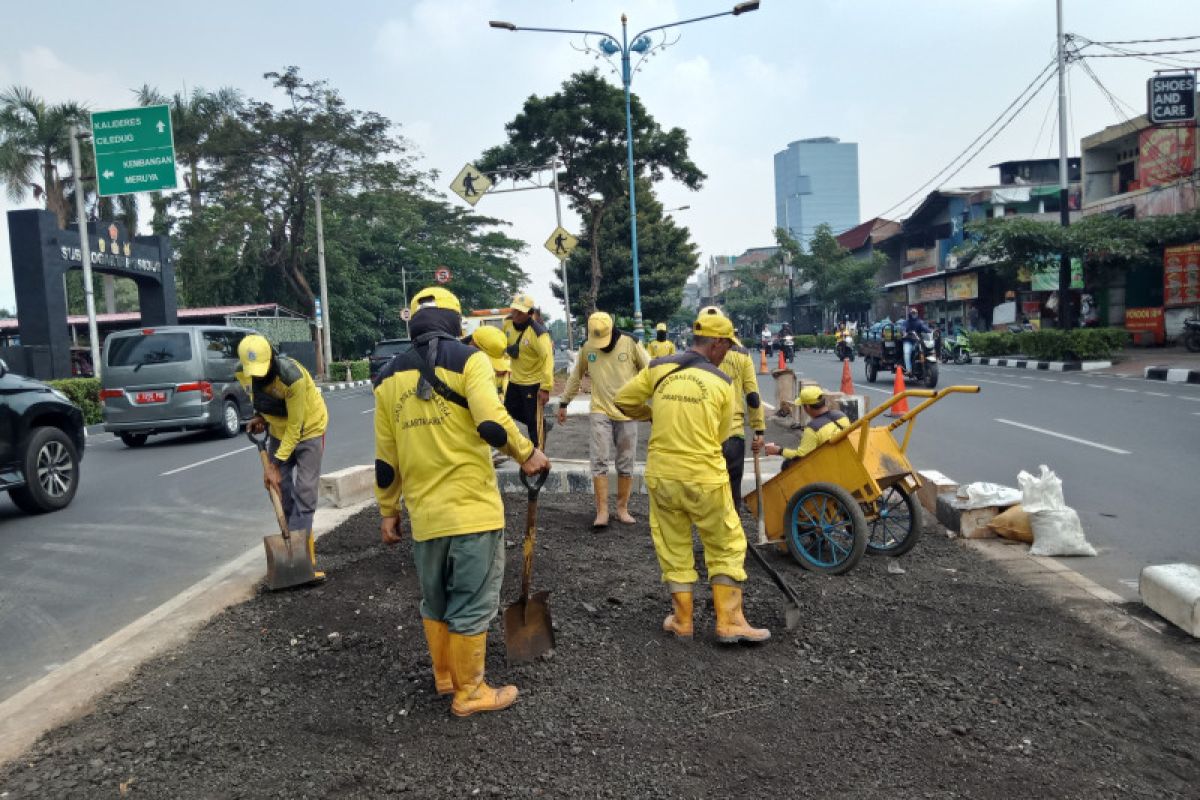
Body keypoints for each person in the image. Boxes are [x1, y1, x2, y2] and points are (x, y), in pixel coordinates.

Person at [375, 287, 550, 718]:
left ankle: (445, 677)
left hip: (426, 518)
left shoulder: (388, 377)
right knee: (471, 603)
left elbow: (385, 458)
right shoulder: (470, 360)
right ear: (456, 324)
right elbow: (491, 420)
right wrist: (528, 453)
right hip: (471, 511)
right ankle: (469, 691)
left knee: (434, 601)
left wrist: (388, 510)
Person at [614, 311, 770, 645]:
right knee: (726, 543)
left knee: (673, 544)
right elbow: (722, 433)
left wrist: (654, 413)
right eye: (727, 345)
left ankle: (682, 620)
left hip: (662, 475)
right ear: (716, 343)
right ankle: (729, 622)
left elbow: (623, 400)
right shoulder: (723, 383)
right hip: (704, 477)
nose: (728, 352)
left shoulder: (658, 368)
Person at [236, 334, 328, 577]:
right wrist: (261, 417)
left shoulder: (291, 377)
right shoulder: (243, 372)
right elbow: (263, 402)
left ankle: (303, 560)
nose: (256, 375)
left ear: (272, 359)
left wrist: (274, 463)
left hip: (308, 430)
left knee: (305, 493)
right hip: (278, 432)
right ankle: (290, 550)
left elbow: (295, 427)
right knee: (279, 490)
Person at [557, 311, 649, 527]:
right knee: (599, 459)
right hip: (600, 410)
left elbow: (650, 371)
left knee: (626, 461)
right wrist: (563, 402)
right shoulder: (588, 346)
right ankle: (602, 512)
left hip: (627, 412)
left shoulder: (631, 343)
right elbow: (575, 376)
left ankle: (622, 508)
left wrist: (648, 404)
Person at [697, 306, 765, 510]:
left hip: (704, 431)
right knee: (733, 488)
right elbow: (752, 396)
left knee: (707, 488)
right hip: (734, 433)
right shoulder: (742, 355)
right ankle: (733, 534)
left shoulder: (695, 355)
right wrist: (758, 429)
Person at [502, 294, 554, 449]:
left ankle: (539, 453)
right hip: (515, 380)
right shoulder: (507, 324)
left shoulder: (539, 334)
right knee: (508, 410)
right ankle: (541, 424)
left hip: (533, 383)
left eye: (520, 312)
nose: (516, 315)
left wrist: (545, 387)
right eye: (515, 310)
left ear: (530, 314)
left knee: (533, 423)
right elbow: (500, 342)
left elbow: (547, 361)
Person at [764, 386, 850, 463]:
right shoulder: (841, 416)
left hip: (829, 464)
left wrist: (779, 451)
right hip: (846, 458)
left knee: (787, 464)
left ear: (807, 407)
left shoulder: (813, 429)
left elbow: (801, 456)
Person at [901, 308, 931, 375]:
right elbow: (903, 328)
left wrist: (931, 331)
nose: (914, 314)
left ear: (917, 314)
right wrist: (904, 332)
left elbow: (925, 328)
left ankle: (926, 365)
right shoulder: (906, 322)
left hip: (917, 341)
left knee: (925, 350)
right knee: (906, 352)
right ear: (910, 314)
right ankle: (909, 370)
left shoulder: (920, 322)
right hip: (908, 341)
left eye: (915, 313)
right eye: (912, 313)